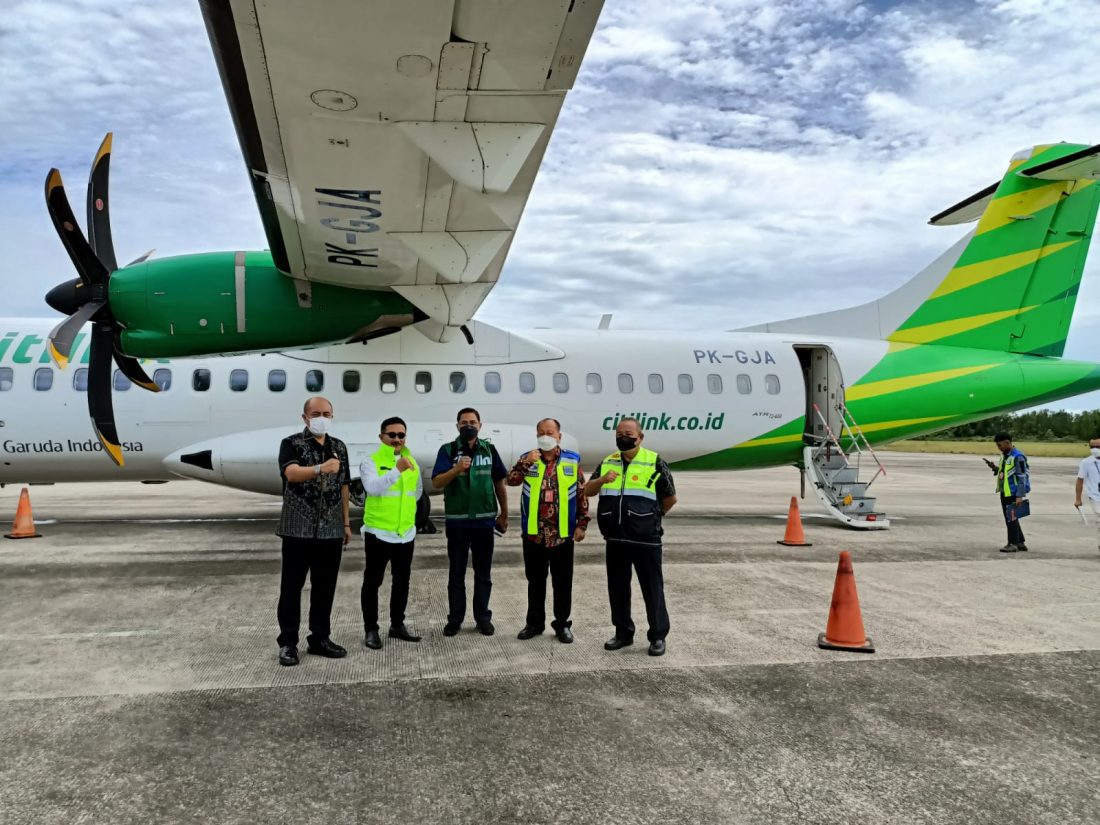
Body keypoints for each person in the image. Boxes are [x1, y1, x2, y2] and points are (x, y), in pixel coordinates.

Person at [584, 417, 677, 656]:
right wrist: (603, 479)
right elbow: (588, 490)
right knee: (617, 589)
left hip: (646, 540)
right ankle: (623, 633)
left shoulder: (655, 461)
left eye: (628, 433)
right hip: (615, 539)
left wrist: (652, 518)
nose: (623, 437)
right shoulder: (608, 461)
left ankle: (657, 636)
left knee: (652, 589)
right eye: (619, 434)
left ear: (640, 437)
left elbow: (670, 498)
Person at [275, 396, 352, 666]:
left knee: (324, 588)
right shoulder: (292, 443)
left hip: (330, 530)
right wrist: (321, 468)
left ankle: (320, 638)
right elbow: (291, 474)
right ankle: (287, 643)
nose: (322, 417)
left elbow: (344, 486)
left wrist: (345, 523)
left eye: (327, 413)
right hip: (298, 529)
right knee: (291, 589)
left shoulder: (339, 447)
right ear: (305, 417)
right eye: (316, 413)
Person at [507, 418, 590, 643]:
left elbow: (581, 494)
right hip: (534, 534)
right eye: (542, 432)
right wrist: (525, 462)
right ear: (536, 435)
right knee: (535, 582)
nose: (546, 436)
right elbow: (511, 481)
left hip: (562, 535)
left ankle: (562, 624)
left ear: (559, 436)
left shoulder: (571, 462)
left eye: (550, 432)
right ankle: (534, 623)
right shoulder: (529, 459)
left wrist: (582, 524)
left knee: (563, 582)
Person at [431, 407, 508, 636]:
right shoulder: (448, 450)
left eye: (472, 422)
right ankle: (455, 619)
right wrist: (456, 469)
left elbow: (499, 484)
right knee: (456, 574)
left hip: (484, 522)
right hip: (458, 523)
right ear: (457, 426)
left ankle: (483, 617)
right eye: (464, 422)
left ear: (480, 425)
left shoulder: (490, 450)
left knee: (483, 573)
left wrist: (504, 513)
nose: (468, 426)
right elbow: (436, 482)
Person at [359, 416, 422, 650]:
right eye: (392, 435)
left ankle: (397, 625)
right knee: (373, 582)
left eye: (401, 435)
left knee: (402, 582)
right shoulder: (371, 461)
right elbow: (372, 489)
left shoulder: (411, 461)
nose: (397, 439)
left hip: (405, 533)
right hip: (379, 533)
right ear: (381, 437)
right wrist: (396, 470)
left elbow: (415, 493)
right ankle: (371, 629)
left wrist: (409, 522)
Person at [983, 432, 1030, 553]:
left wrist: (1019, 495)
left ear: (1008, 443)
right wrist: (995, 468)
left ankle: (1012, 543)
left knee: (1011, 518)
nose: (999, 448)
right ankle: (1020, 542)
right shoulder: (1005, 456)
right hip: (1006, 491)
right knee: (1012, 517)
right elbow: (1007, 472)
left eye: (1000, 445)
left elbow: (1022, 476)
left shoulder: (1018, 457)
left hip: (1013, 493)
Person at [1073, 435, 1100, 552]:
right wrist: (1078, 498)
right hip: (1096, 496)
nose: (1094, 449)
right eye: (1092, 446)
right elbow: (1080, 480)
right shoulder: (1086, 463)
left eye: (1098, 446)